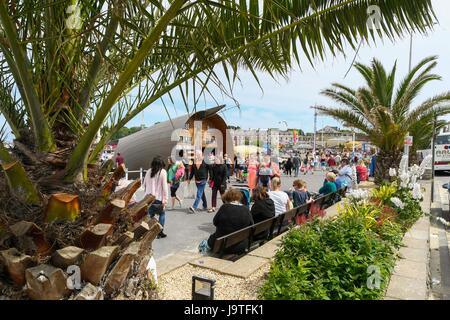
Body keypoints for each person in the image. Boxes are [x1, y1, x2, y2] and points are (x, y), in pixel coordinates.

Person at [206, 188, 254, 254]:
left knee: (207, 242)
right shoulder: (246, 209)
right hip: (241, 246)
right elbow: (251, 225)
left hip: (222, 246)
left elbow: (215, 222)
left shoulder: (224, 207)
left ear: (227, 198)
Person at [144, 156, 169, 238]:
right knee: (162, 214)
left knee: (149, 215)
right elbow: (165, 187)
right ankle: (160, 231)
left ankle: (147, 232)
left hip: (148, 198)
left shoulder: (148, 171)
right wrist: (165, 199)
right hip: (158, 199)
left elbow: (144, 184)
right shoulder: (163, 172)